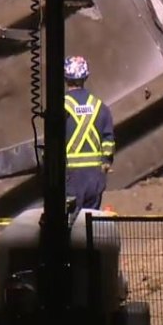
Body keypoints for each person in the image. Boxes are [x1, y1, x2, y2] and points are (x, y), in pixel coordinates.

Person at [62, 56, 116, 213]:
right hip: (94, 176)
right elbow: (108, 141)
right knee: (90, 222)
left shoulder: (61, 107)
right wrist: (105, 162)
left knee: (68, 223)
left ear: (65, 78)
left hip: (70, 177)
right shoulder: (100, 106)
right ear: (86, 77)